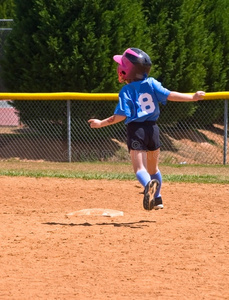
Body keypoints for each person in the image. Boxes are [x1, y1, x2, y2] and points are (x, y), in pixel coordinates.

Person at [88, 48, 205, 211]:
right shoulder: (151, 83)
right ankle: (157, 199)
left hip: (137, 131)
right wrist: (192, 97)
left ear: (126, 70)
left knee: (140, 169)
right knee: (153, 169)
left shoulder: (126, 91)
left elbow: (120, 116)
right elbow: (170, 95)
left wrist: (101, 123)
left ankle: (148, 185)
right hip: (153, 130)